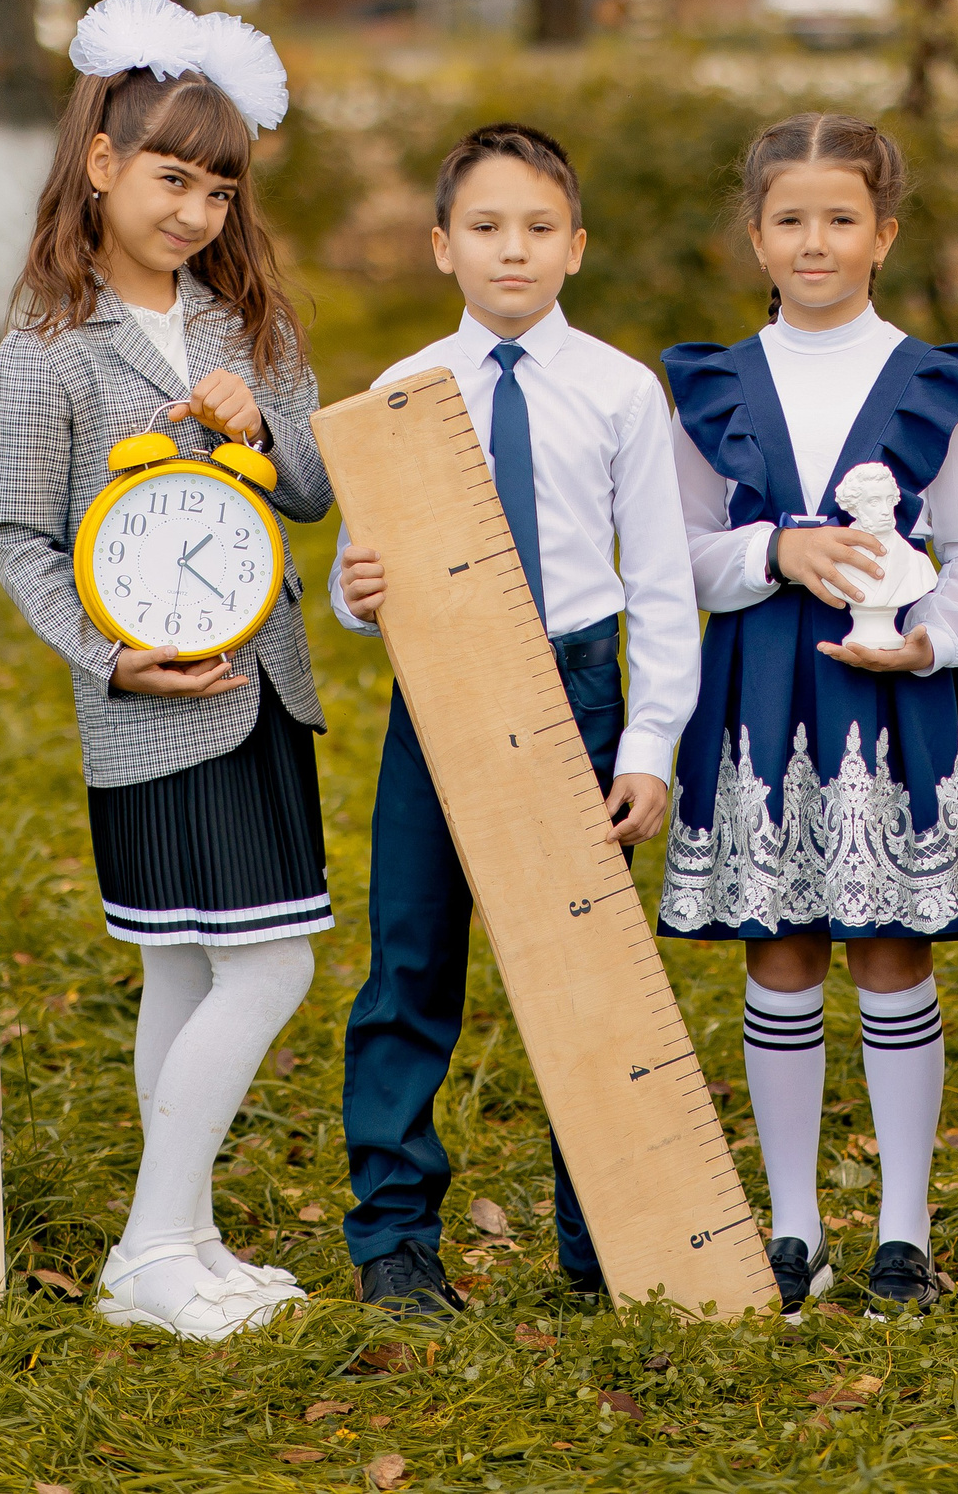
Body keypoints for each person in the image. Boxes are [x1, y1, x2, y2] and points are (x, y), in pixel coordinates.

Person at [0, 0, 331, 1341]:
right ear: (105, 163)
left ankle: (182, 1238)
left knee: (196, 971)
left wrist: (261, 428)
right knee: (264, 967)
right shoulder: (48, 353)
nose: (197, 208)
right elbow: (16, 532)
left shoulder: (247, 327)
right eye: (175, 176)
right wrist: (109, 659)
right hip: (148, 710)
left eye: (222, 186)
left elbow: (307, 491)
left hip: (263, 692)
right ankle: (150, 1241)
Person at [332, 123, 700, 1315]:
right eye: (486, 228)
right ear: (443, 245)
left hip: (575, 688)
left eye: (539, 228)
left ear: (576, 246)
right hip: (437, 690)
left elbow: (660, 586)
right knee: (410, 957)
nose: (512, 251)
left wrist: (647, 745)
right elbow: (356, 580)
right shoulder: (398, 398)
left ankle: (606, 1240)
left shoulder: (619, 391)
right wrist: (357, 594)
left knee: (585, 972)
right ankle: (394, 1234)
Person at [661, 113, 958, 1317]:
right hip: (761, 686)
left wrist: (934, 639)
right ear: (757, 236)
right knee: (783, 943)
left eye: (841, 219)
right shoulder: (711, 385)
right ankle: (797, 1222)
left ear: (885, 233)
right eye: (790, 220)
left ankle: (903, 1229)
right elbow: (682, 559)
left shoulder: (935, 383)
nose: (815, 242)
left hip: (892, 691)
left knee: (889, 942)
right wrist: (779, 547)